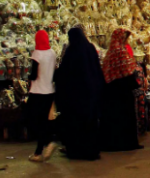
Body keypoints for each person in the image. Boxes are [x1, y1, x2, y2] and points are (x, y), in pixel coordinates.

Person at [54, 26, 104, 160]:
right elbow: (97, 70)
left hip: (75, 97)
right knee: (90, 124)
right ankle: (91, 150)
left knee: (76, 124)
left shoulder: (71, 51)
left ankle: (76, 151)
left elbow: (64, 74)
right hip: (90, 95)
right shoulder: (90, 49)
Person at [99, 28, 142, 152]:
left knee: (113, 118)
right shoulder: (121, 52)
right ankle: (126, 143)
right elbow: (127, 72)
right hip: (123, 92)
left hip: (110, 92)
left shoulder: (109, 53)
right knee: (125, 117)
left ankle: (113, 143)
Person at [27, 30, 58, 162]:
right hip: (49, 91)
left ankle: (45, 145)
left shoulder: (36, 54)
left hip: (37, 92)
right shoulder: (52, 53)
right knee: (44, 121)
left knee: (36, 121)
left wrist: (27, 76)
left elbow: (34, 75)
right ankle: (41, 149)